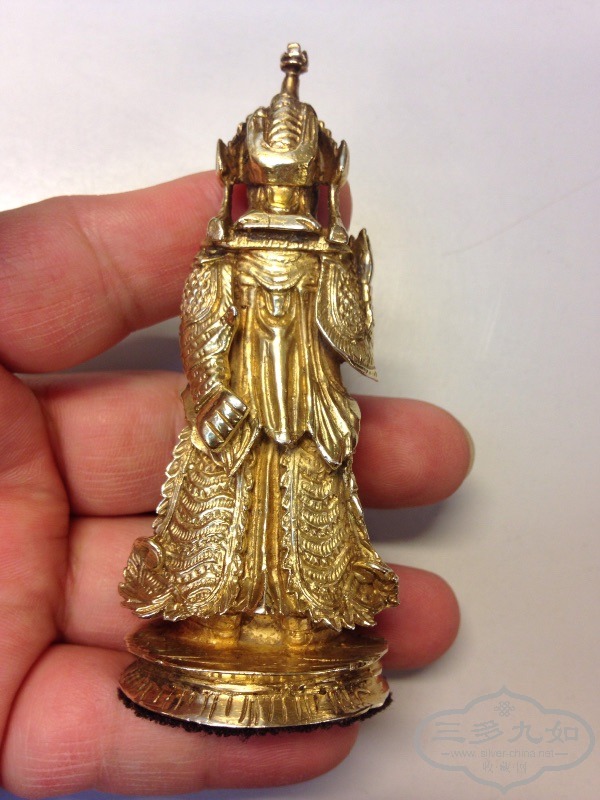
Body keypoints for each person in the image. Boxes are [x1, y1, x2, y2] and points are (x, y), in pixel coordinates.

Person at [0, 171, 472, 796]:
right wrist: (211, 393)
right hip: (238, 410)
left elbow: (350, 343)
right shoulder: (223, 257)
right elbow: (202, 331)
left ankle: (303, 619)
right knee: (226, 513)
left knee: (306, 508)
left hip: (304, 404)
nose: (282, 195)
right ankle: (214, 615)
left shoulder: (323, 255)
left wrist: (348, 267)